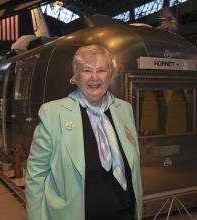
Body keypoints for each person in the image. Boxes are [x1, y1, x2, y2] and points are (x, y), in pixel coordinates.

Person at [25, 44, 143, 220]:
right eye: (87, 70)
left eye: (101, 70)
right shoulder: (53, 113)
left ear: (109, 75)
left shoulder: (124, 110)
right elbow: (36, 173)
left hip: (124, 213)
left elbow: (133, 166)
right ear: (76, 75)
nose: (94, 77)